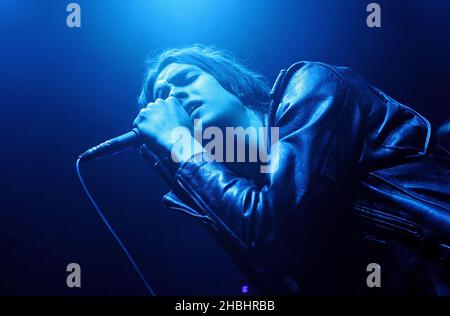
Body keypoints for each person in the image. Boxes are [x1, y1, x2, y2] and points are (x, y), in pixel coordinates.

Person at [133, 44, 450, 295]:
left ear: (231, 83)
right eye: (163, 97)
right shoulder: (232, 200)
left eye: (187, 79)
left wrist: (179, 142)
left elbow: (275, 225)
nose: (175, 96)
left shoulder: (312, 86)